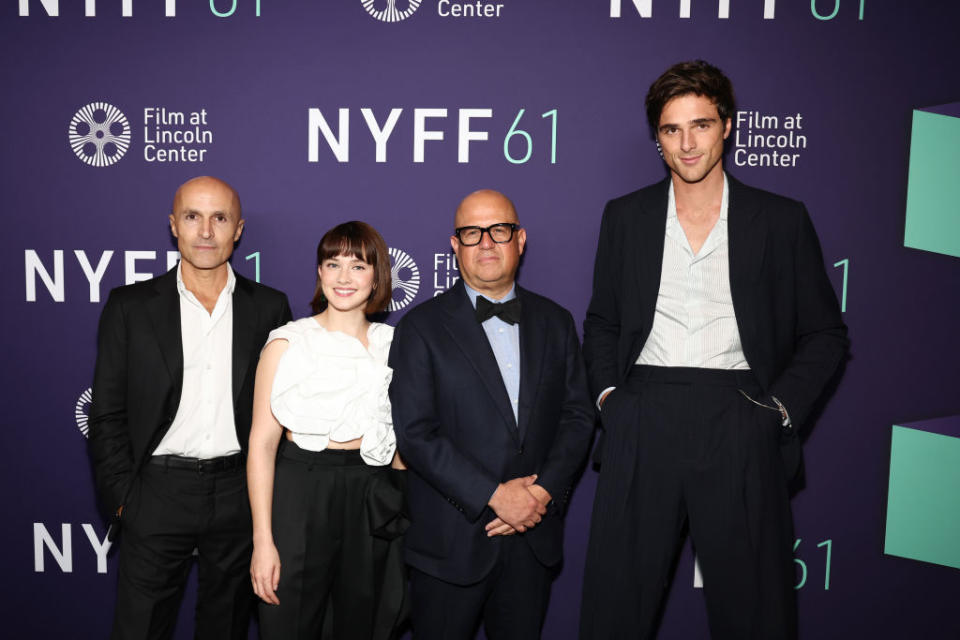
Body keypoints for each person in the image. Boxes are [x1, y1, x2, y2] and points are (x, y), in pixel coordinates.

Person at [579, 60, 849, 639]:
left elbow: (826, 334)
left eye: (700, 124)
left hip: (740, 414)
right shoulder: (624, 217)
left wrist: (777, 411)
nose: (687, 142)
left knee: (755, 614)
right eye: (672, 130)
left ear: (727, 125)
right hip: (642, 414)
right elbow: (602, 320)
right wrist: (610, 399)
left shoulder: (780, 219)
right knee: (614, 610)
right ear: (657, 138)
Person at [88, 176, 292, 639]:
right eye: (192, 217)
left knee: (227, 628)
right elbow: (106, 414)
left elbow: (281, 415)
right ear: (173, 226)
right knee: (140, 629)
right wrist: (124, 501)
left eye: (219, 218)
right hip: (155, 493)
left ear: (237, 229)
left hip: (238, 495)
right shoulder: (130, 306)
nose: (205, 231)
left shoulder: (270, 308)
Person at [388, 189, 595, 640]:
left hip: (531, 541)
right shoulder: (420, 327)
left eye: (498, 230)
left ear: (519, 239)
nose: (486, 243)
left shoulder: (556, 322)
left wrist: (541, 494)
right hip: (449, 543)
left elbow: (578, 417)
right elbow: (415, 433)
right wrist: (494, 495)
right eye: (472, 232)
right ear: (454, 244)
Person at [248, 221, 408, 640]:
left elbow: (404, 439)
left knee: (364, 624)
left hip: (372, 495)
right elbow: (262, 445)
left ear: (377, 276)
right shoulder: (286, 343)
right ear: (319, 272)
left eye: (358, 266)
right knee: (288, 624)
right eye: (332, 263)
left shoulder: (399, 345)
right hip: (301, 491)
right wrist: (263, 540)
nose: (343, 277)